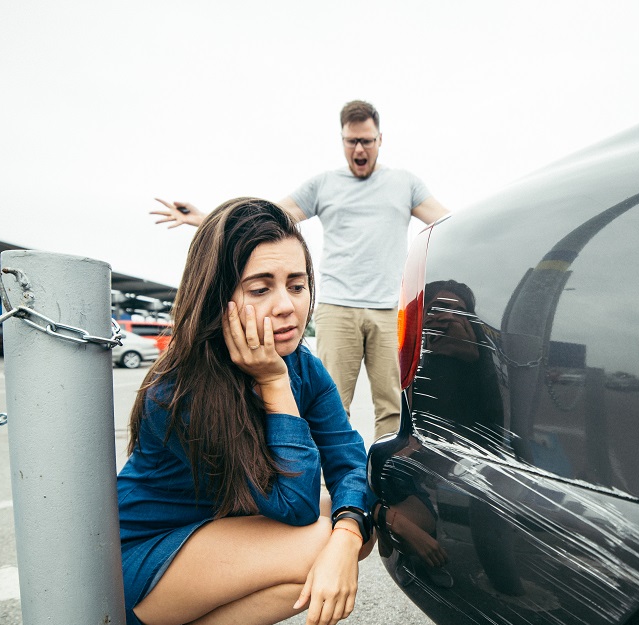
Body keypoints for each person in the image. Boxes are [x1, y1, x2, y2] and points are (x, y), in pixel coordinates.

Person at [119, 197, 375, 625]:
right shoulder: (183, 389)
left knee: (354, 527)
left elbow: (351, 460)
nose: (287, 306)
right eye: (261, 288)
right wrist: (274, 386)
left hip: (215, 536)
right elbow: (297, 508)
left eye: (297, 285)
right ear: (219, 296)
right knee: (313, 541)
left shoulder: (304, 365)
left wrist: (350, 534)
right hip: (143, 558)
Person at [151, 100, 450, 441]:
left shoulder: (405, 183)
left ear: (380, 139)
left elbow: (444, 222)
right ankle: (326, 484)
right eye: (351, 141)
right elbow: (263, 219)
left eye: (366, 140)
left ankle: (385, 483)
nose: (359, 148)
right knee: (334, 402)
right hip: (339, 307)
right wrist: (205, 219)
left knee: (393, 407)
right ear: (342, 141)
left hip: (387, 309)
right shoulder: (323, 185)